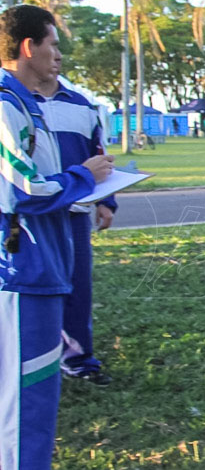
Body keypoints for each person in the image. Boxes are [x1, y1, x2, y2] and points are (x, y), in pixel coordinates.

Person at [0, 5, 114, 470]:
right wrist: (83, 177)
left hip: (39, 266)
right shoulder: (6, 104)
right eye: (52, 44)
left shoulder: (32, 104)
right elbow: (25, 188)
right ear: (28, 47)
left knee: (32, 396)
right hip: (23, 270)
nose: (59, 55)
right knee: (28, 401)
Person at [36, 76, 117, 386]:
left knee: (77, 288)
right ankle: (30, 361)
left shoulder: (80, 104)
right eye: (51, 46)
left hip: (74, 216)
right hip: (33, 217)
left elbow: (100, 156)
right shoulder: (12, 101)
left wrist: (105, 201)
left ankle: (78, 361)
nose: (56, 55)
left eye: (59, 48)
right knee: (33, 289)